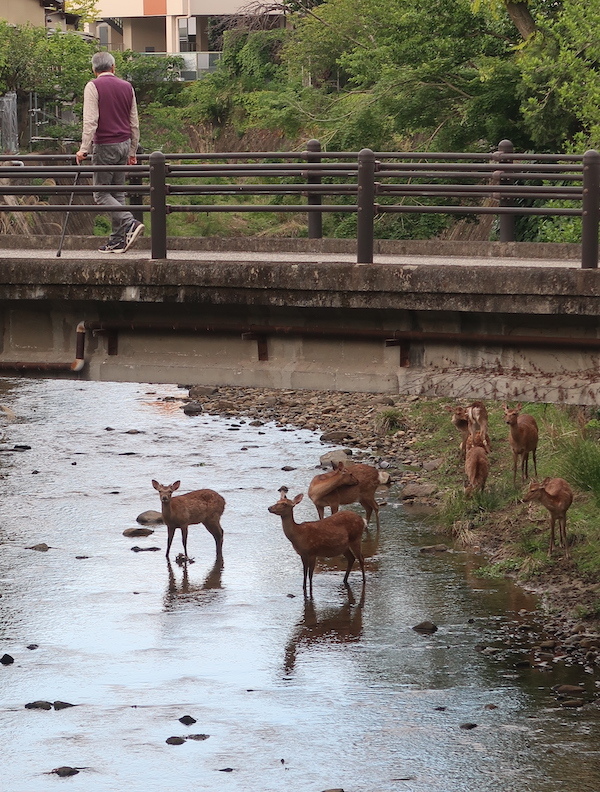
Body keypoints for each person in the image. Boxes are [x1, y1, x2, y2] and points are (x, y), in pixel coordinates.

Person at [76, 51, 144, 253]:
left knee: (100, 193)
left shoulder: (93, 86)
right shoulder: (127, 87)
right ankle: (117, 240)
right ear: (113, 68)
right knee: (117, 192)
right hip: (124, 143)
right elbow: (134, 122)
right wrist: (133, 150)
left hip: (105, 145)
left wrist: (83, 149)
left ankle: (129, 222)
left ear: (93, 69)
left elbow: (90, 121)